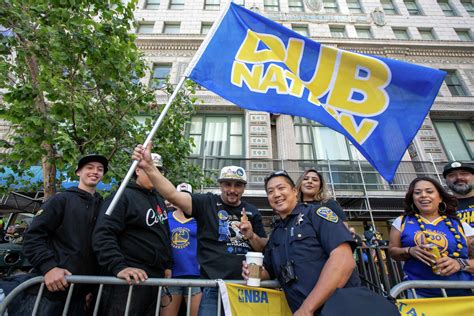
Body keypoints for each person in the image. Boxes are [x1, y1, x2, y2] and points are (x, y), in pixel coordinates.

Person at [131, 143, 267, 316]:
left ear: (244, 187)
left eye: (238, 185)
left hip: (245, 288)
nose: (232, 190)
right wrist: (149, 167)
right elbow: (172, 194)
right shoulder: (207, 203)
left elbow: (262, 246)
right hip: (213, 287)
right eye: (227, 184)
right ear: (220, 185)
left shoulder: (252, 211)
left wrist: (251, 235)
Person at [243, 170, 361, 315]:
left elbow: (344, 260)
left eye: (281, 188)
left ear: (294, 191)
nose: (276, 194)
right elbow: (268, 271)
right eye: (270, 191)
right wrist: (253, 272)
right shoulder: (275, 234)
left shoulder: (317, 214)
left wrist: (307, 308)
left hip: (341, 309)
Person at [19, 154, 108, 315]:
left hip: (80, 296)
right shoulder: (61, 200)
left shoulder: (104, 207)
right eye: (89, 167)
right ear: (78, 172)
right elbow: (32, 237)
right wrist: (49, 267)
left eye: (100, 169)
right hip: (49, 294)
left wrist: (91, 289)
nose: (95, 172)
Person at [92, 153, 172, 315]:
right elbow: (103, 233)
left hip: (153, 280)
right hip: (126, 283)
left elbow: (162, 233)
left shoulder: (158, 198)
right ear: (137, 170)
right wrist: (118, 266)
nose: (154, 173)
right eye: (148, 169)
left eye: (158, 170)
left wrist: (167, 264)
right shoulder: (122, 196)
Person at [388, 176, 474, 298]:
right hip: (419, 294)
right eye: (417, 193)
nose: (423, 195)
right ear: (412, 198)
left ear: (440, 197)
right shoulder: (401, 222)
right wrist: (409, 250)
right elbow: (392, 251)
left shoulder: (460, 224)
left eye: (429, 191)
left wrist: (459, 264)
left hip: (463, 296)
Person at [161, 183, 201, 316]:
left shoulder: (199, 219)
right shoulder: (166, 218)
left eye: (186, 195)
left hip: (195, 275)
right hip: (172, 275)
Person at [443, 161, 474, 228]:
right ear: (446, 181)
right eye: (452, 175)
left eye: (464, 174)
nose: (459, 177)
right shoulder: (443, 207)